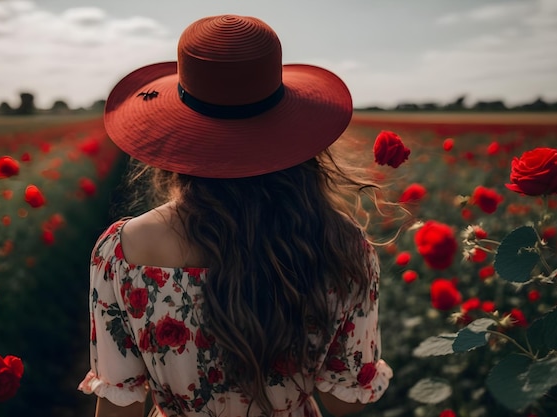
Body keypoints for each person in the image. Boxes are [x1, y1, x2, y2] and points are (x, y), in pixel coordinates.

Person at [78, 14, 393, 417]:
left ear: (178, 133)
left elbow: (119, 406)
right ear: (294, 134)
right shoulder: (343, 245)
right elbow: (342, 400)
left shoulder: (121, 251)